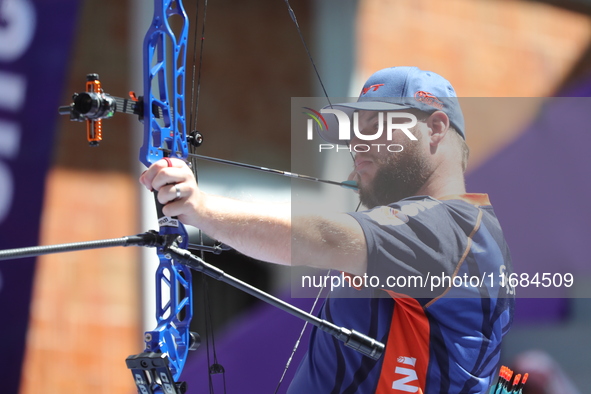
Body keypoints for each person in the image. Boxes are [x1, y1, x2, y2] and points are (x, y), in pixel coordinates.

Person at [140, 66, 515, 393]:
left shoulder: (447, 227)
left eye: (378, 126)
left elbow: (322, 237)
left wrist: (200, 208)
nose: (357, 143)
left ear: (435, 128)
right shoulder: (461, 232)